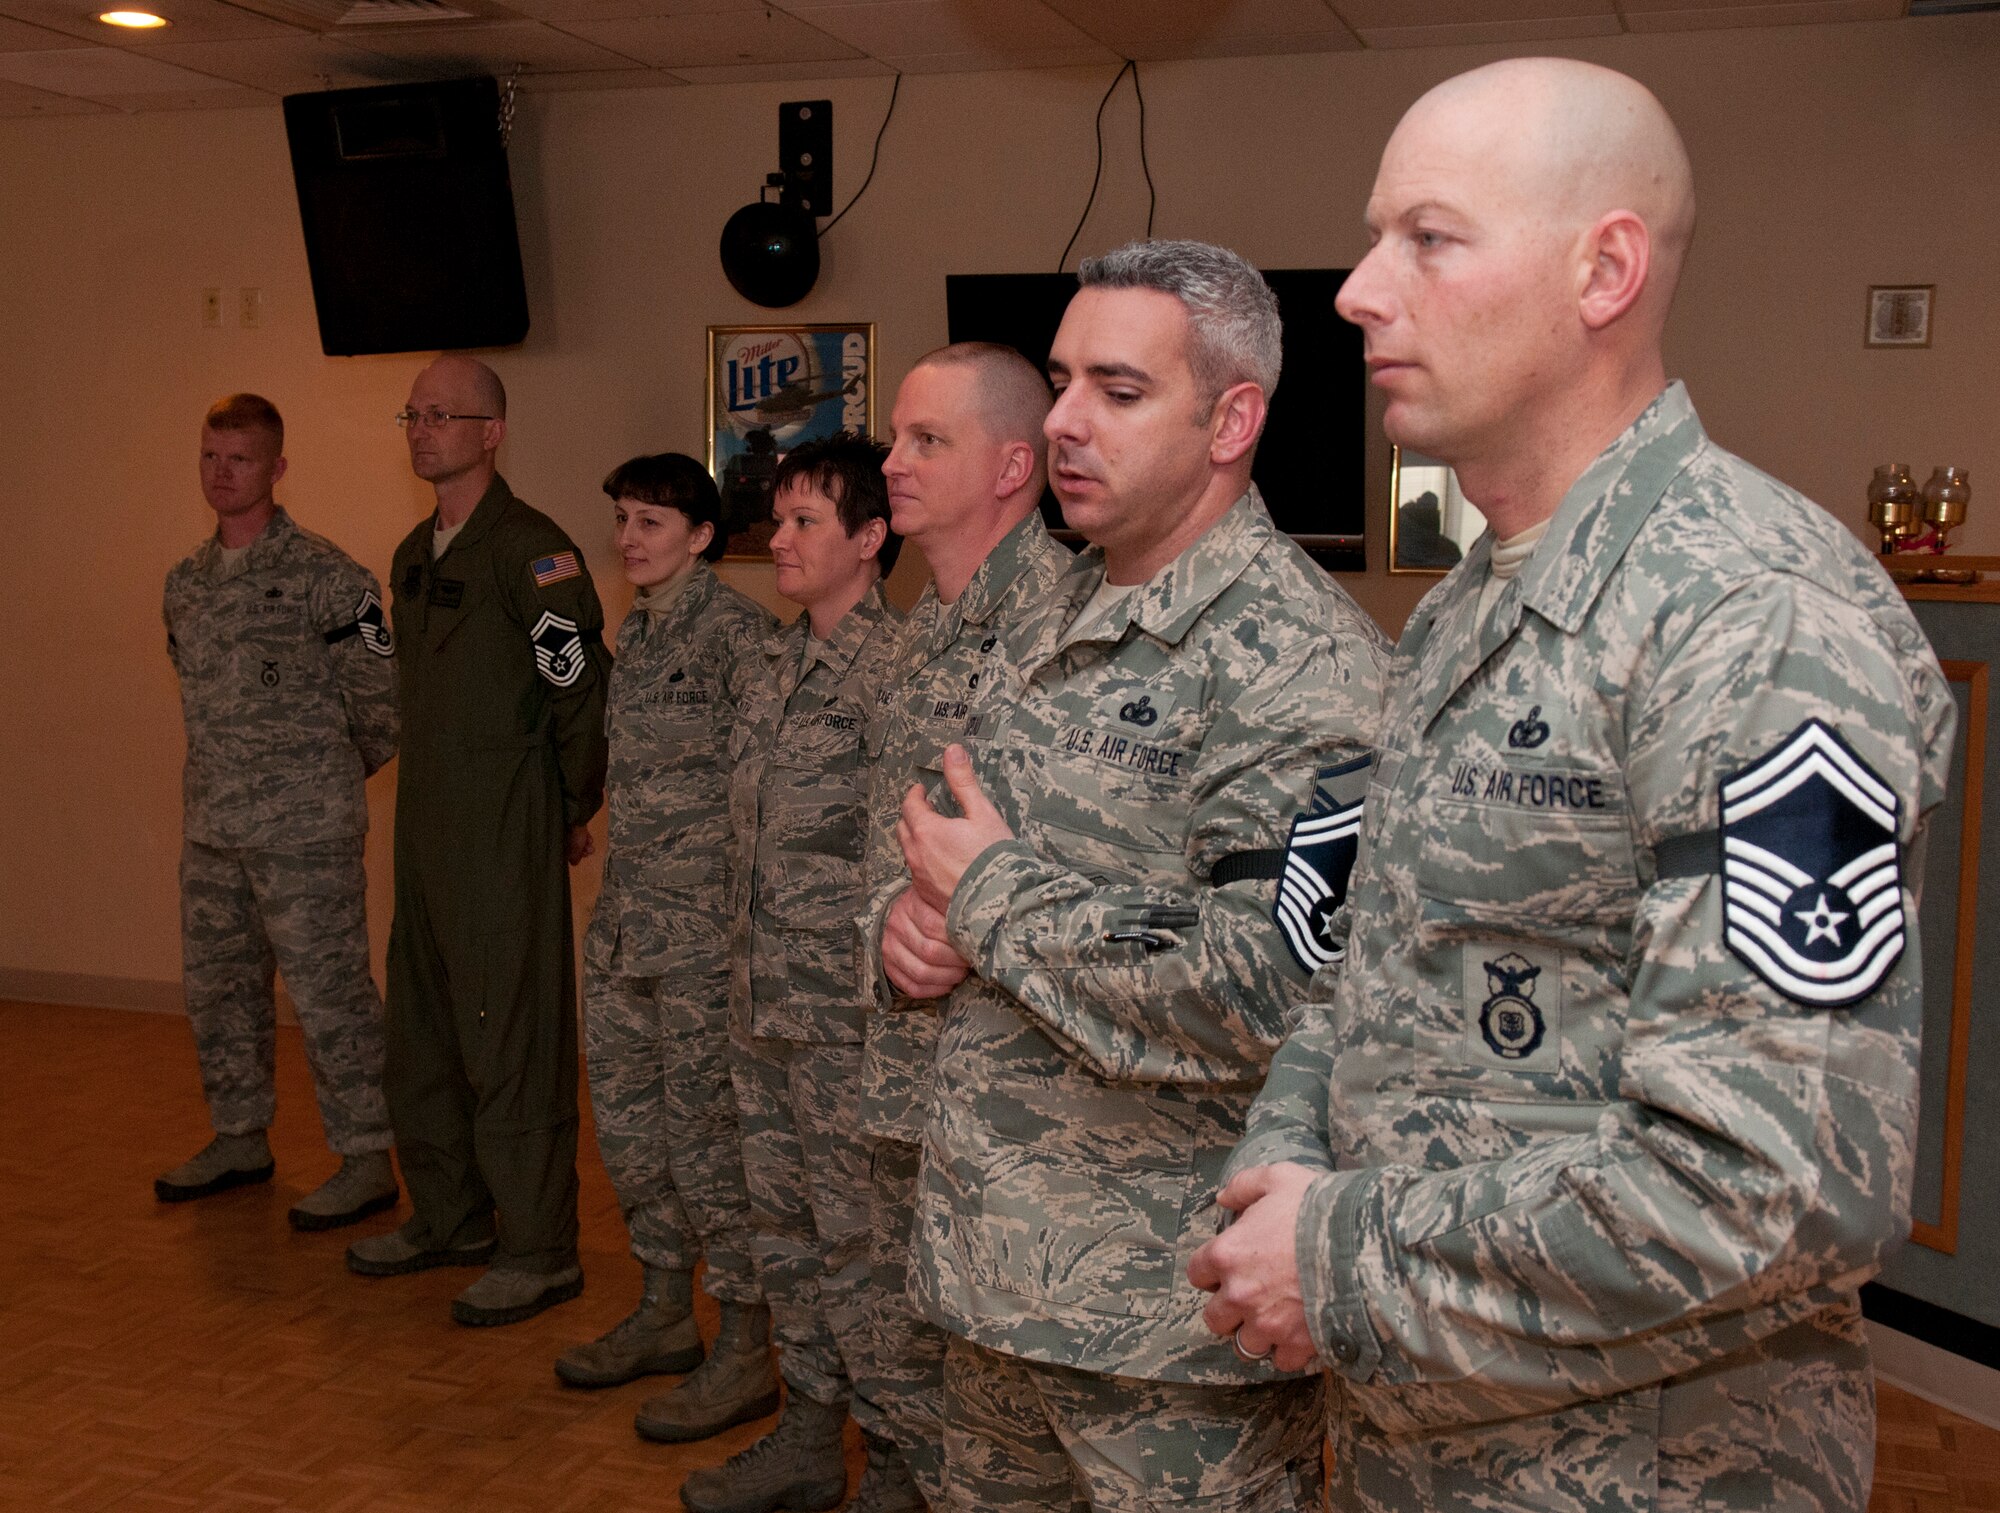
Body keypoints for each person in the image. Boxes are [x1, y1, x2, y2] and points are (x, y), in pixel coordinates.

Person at [1188, 58, 1957, 1513]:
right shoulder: (1467, 612)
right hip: (1424, 1440)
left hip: (1642, 1470)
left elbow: (1781, 1184)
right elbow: (1373, 975)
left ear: (1604, 268)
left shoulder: (1754, 617)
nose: (1355, 289)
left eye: (1426, 235)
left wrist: (1339, 1255)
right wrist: (1281, 1173)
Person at [889, 240, 1389, 1512]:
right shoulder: (1052, 611)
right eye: (1059, 381)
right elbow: (954, 846)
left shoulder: (1296, 664)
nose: (1060, 420)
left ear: (1230, 421)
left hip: (1170, 1333)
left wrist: (988, 902)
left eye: (1115, 390)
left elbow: (1274, 986)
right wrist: (908, 927)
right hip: (990, 1275)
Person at [848, 343, 1071, 1511]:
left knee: (1011, 1422)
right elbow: (878, 846)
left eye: (928, 440)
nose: (894, 461)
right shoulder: (916, 630)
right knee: (921, 1379)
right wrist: (885, 932)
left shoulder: (1063, 627)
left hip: (1015, 1108)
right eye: (897, 436)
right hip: (900, 1076)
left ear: (1012, 467)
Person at [345, 356, 611, 1330]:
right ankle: (450, 1217)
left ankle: (538, 1248)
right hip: (424, 830)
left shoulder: (532, 552)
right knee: (419, 1030)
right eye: (411, 414)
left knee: (512, 1038)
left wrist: (567, 803)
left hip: (503, 825)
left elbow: (579, 685)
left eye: (443, 415)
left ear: (491, 432)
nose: (421, 430)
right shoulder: (416, 552)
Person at [680, 434, 902, 1513]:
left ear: (869, 538)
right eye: (777, 517)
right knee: (788, 1239)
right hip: (757, 1008)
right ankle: (810, 1436)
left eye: (808, 520)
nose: (781, 537)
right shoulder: (769, 666)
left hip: (845, 1024)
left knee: (863, 1250)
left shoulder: (893, 676)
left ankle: (898, 1458)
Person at [556, 453, 782, 1448]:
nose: (629, 538)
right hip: (626, 932)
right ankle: (662, 1308)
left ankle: (741, 1340)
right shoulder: (636, 635)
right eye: (622, 519)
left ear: (701, 536)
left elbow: (769, 793)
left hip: (701, 945)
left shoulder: (743, 641)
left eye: (651, 521)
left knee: (708, 1146)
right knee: (633, 1133)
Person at [157, 392, 399, 1231]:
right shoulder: (183, 585)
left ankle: (367, 1154)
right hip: (212, 829)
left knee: (331, 996)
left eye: (241, 459)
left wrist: (317, 781)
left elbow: (382, 705)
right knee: (219, 991)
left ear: (277, 469)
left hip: (305, 834)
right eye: (210, 457)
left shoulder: (334, 580)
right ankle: (238, 1136)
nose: (222, 474)